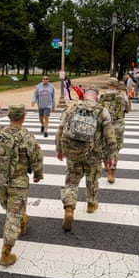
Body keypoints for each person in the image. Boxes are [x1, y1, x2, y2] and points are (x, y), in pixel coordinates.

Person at [0, 104, 44, 266]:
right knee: (13, 215)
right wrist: (38, 175)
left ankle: (22, 219)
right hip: (17, 181)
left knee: (9, 208)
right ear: (23, 117)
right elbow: (36, 158)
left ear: (9, 116)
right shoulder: (27, 137)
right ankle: (6, 253)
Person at [55, 87, 116, 231]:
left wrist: (59, 149)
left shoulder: (72, 108)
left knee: (71, 181)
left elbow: (60, 129)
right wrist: (110, 157)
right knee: (92, 179)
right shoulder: (102, 111)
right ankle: (91, 204)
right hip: (93, 154)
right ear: (97, 97)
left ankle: (69, 208)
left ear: (84, 96)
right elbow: (110, 137)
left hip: (73, 152)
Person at [99, 78, 130, 184]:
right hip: (118, 126)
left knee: (104, 146)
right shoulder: (123, 96)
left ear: (108, 84)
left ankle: (106, 164)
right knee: (115, 149)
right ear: (116, 85)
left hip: (105, 126)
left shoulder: (102, 96)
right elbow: (128, 110)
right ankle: (111, 173)